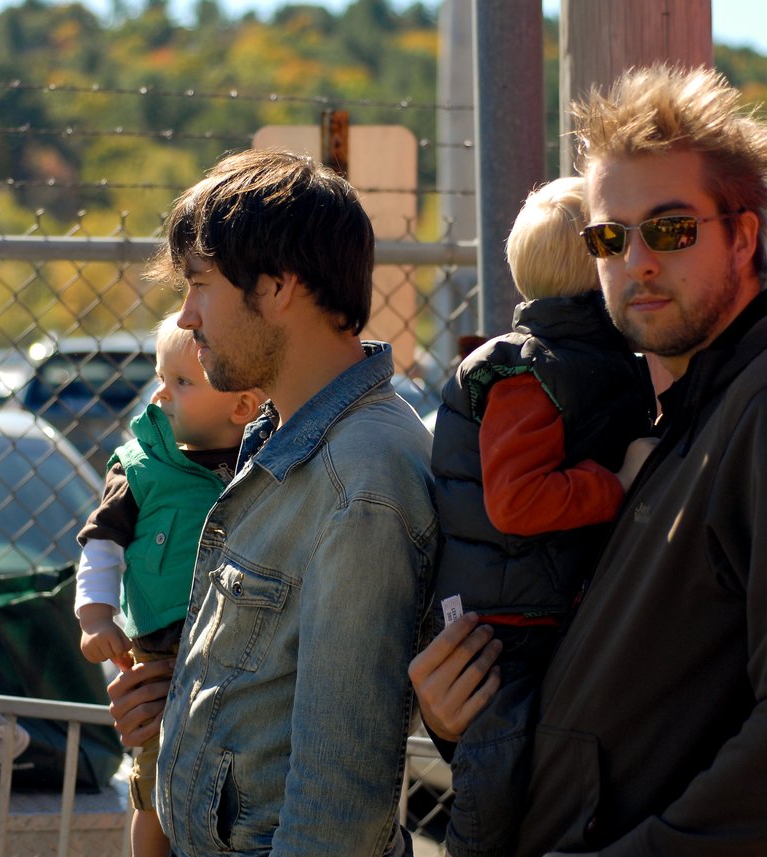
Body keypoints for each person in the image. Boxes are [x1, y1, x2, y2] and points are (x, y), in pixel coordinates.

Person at [410, 64, 767, 857]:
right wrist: (462, 715)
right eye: (610, 236)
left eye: (671, 230)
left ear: (743, 235)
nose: (636, 260)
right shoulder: (690, 400)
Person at [107, 148, 438, 857]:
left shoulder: (363, 479)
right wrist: (181, 702)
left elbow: (336, 808)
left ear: (281, 285)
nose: (188, 316)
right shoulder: (281, 433)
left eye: (201, 285)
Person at [429, 176, 654, 857]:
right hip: (497, 624)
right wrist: (614, 483)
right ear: (599, 262)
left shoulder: (598, 361)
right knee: (499, 759)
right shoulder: (527, 371)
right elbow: (516, 499)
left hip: (538, 604)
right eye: (617, 239)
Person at [75, 313, 261, 857]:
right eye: (162, 376)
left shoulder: (262, 463)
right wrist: (95, 616)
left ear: (242, 405)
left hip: (238, 645)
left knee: (230, 783)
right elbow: (101, 544)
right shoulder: (140, 467)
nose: (163, 392)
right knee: (156, 783)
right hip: (160, 653)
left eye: (183, 381)